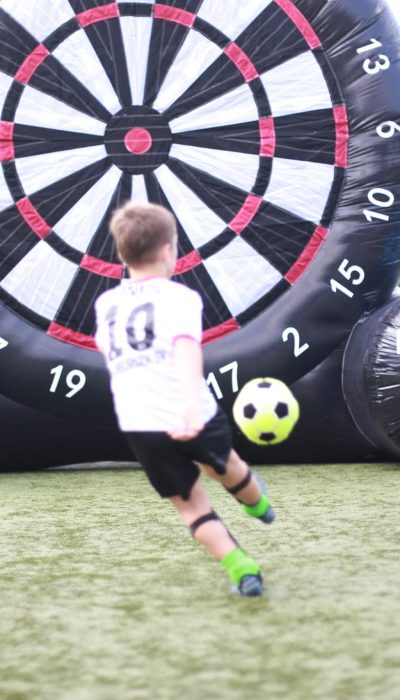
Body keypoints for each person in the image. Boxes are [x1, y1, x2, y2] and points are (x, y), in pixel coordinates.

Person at [95, 202, 275, 597]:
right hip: (188, 409)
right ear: (167, 250)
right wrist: (191, 405)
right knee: (226, 465)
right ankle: (256, 504)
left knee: (192, 508)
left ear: (122, 255)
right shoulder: (180, 297)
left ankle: (241, 567)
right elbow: (185, 349)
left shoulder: (105, 305)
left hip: (140, 423)